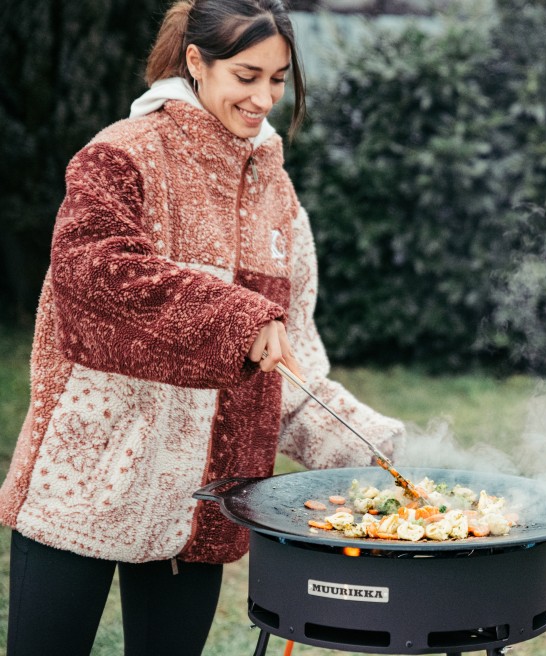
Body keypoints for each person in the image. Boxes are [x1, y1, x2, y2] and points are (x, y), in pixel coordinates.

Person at [0, 1, 405, 654]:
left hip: (201, 500)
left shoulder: (280, 198)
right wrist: (241, 321)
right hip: (84, 484)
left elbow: (289, 366)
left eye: (277, 79)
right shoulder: (122, 156)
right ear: (196, 61)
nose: (265, 96)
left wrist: (387, 454)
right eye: (247, 75)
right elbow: (92, 275)